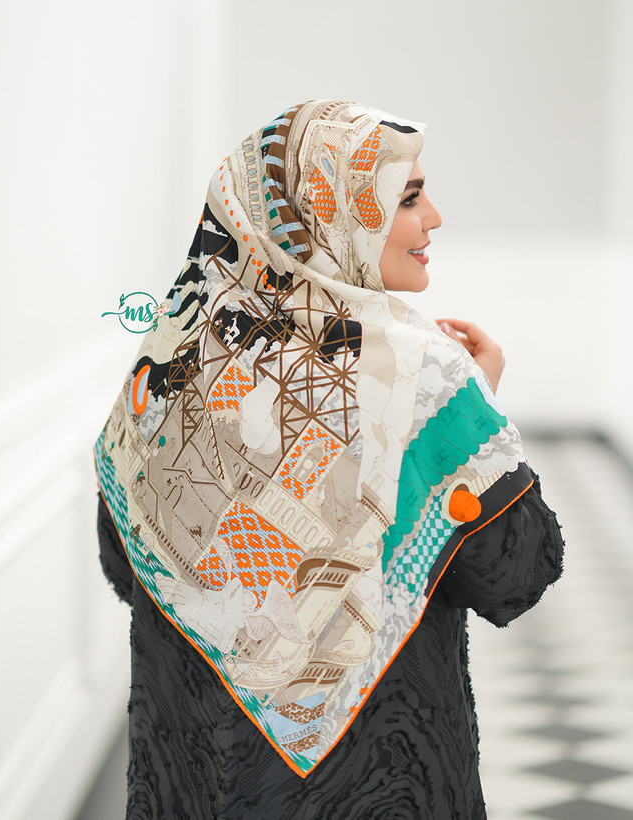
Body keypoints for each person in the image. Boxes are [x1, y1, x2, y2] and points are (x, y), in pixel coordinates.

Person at [95, 100, 564, 819]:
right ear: (334, 215)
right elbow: (516, 572)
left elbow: (125, 560)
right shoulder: (425, 380)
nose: (434, 218)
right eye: (408, 198)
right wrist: (477, 410)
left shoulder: (180, 349)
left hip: (197, 772)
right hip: (382, 777)